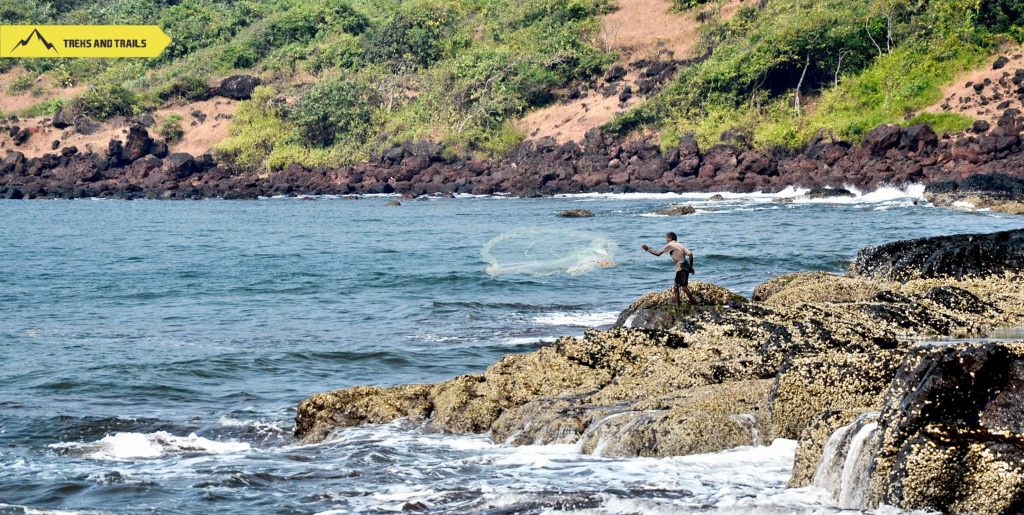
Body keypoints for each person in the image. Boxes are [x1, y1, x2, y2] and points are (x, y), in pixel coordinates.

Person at [641, 232, 695, 306]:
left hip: (681, 267)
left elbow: (658, 253)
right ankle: (678, 304)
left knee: (684, 287)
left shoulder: (670, 245)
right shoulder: (679, 244)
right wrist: (691, 267)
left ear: (670, 238)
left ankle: (693, 303)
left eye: (667, 238)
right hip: (685, 266)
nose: (666, 239)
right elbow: (690, 254)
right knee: (676, 287)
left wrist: (647, 249)